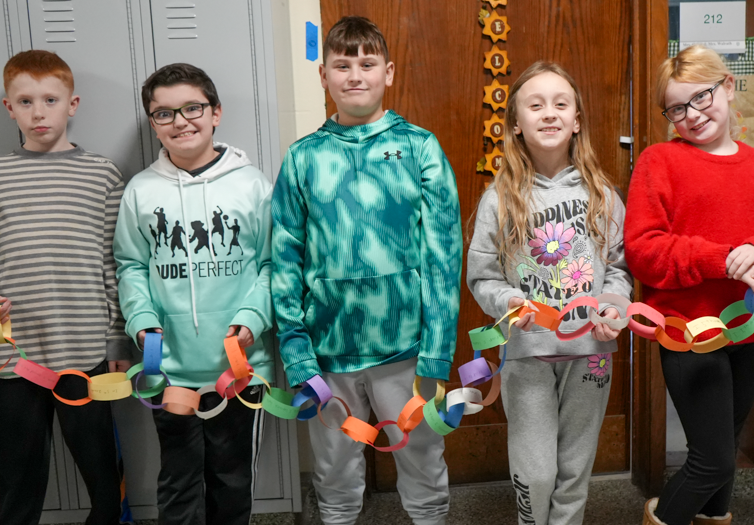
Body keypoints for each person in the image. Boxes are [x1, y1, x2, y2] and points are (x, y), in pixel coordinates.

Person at [271, 16, 462, 525]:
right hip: (328, 350)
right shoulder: (302, 158)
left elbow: (444, 257)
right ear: (324, 75)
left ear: (388, 72)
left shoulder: (420, 148)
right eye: (342, 64)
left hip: (406, 346)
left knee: (421, 460)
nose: (355, 75)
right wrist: (295, 350)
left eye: (367, 63)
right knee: (334, 470)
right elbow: (284, 256)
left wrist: (438, 352)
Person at [624, 45, 754, 525]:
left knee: (722, 453)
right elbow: (644, 251)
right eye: (677, 108)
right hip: (690, 335)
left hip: (752, 332)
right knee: (713, 463)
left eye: (701, 98)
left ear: (727, 86)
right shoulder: (658, 161)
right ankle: (660, 515)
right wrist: (725, 259)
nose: (692, 115)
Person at [0, 49, 131, 525]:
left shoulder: (102, 174)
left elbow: (113, 265)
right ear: (8, 107)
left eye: (50, 99)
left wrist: (117, 336)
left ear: (71, 104)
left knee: (101, 472)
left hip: (86, 352)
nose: (39, 112)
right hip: (13, 358)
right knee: (15, 475)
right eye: (26, 101)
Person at [467, 61, 632, 525]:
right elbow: (482, 275)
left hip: (592, 353)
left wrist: (613, 310)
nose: (549, 113)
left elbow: (619, 269)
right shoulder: (499, 199)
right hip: (528, 354)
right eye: (535, 105)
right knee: (536, 472)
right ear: (516, 123)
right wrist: (506, 302)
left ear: (577, 120)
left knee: (574, 470)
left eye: (561, 104)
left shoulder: (603, 195)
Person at [113, 63, 274, 525]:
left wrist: (252, 317)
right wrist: (141, 322)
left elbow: (272, 264)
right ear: (153, 123)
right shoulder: (141, 191)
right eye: (164, 113)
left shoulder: (253, 185)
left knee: (232, 482)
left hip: (240, 370)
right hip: (170, 370)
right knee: (179, 484)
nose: (181, 121)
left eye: (192, 108)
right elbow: (130, 265)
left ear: (215, 112)